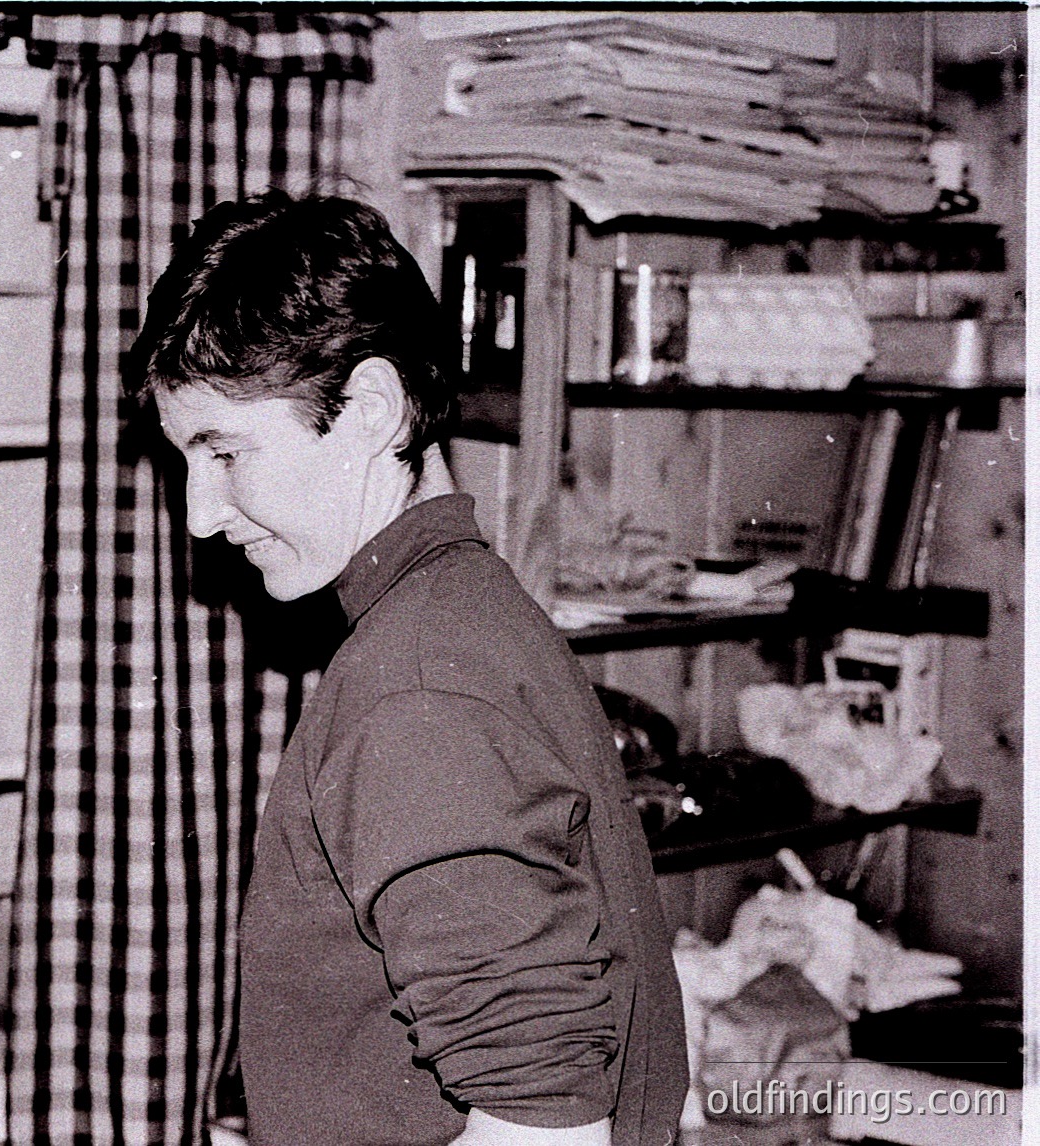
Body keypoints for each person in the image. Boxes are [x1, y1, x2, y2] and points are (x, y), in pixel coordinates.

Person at [126, 192, 688, 1146]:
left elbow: (543, 1125)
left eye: (224, 452)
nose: (201, 515)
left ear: (371, 411)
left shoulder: (418, 689)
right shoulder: (461, 614)